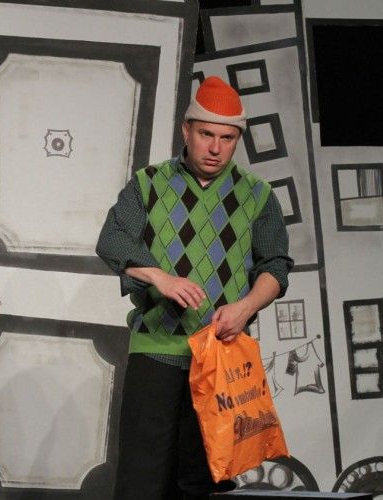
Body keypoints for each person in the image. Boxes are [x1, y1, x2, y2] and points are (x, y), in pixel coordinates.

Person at [96, 76, 293, 499]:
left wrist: (246, 307)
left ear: (237, 139)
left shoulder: (258, 195)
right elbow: (111, 240)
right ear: (186, 130)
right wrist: (160, 276)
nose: (215, 147)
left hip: (220, 358)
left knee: (204, 482)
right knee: (141, 481)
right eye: (206, 134)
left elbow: (275, 265)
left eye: (227, 137)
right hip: (156, 350)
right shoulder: (149, 184)